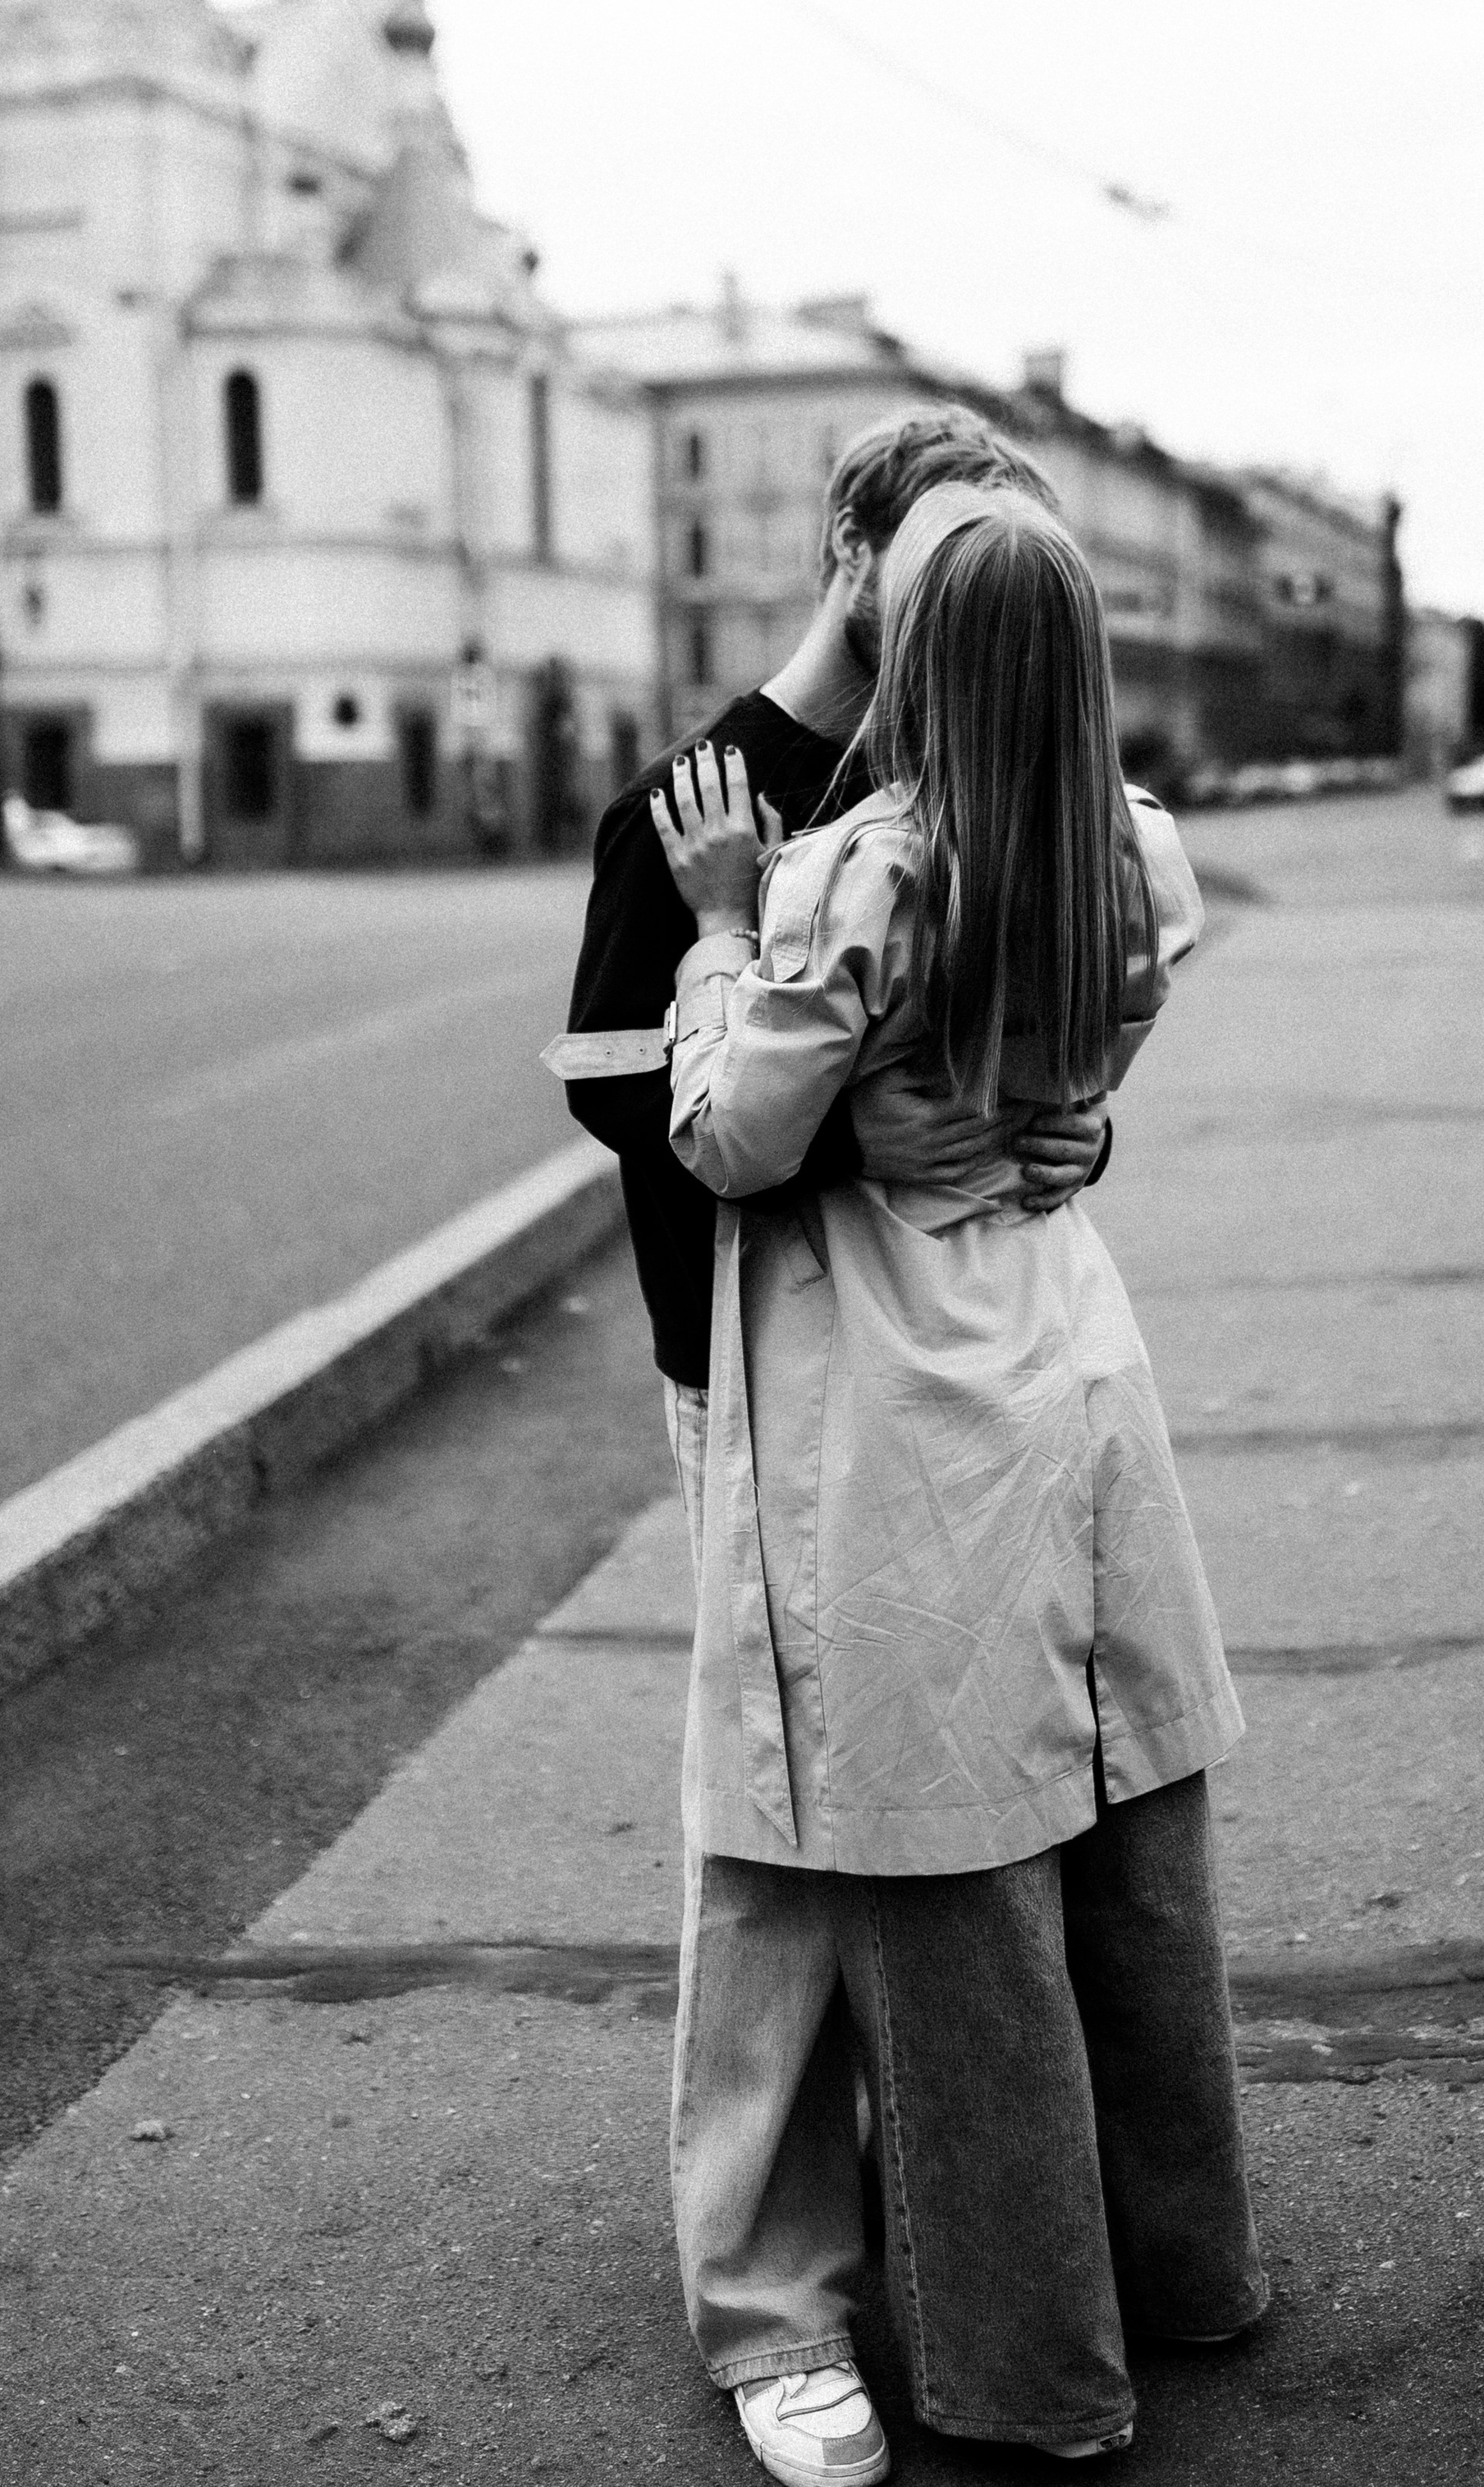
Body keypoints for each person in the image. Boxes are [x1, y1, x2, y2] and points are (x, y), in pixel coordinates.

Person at [653, 483, 1266, 2468]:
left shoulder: (849, 878)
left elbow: (730, 1139)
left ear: (906, 655)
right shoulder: (1131, 852)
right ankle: (1180, 2267)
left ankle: (1025, 2366)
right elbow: (1077, 1072)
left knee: (958, 1891)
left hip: (907, 1404)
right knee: (1125, 1851)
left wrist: (720, 930)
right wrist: (1038, 1117)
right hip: (1074, 1363)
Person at [552, 411, 1115, 2485]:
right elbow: (619, 1088)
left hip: (948, 1380)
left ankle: (931, 2214)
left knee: (949, 1803)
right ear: (852, 550)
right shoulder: (709, 795)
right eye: (941, 536)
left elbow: (1035, 1027)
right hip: (764, 1379)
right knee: (782, 1840)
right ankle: (774, 2305)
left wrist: (1041, 1120)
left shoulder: (978, 743)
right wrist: (859, 1114)